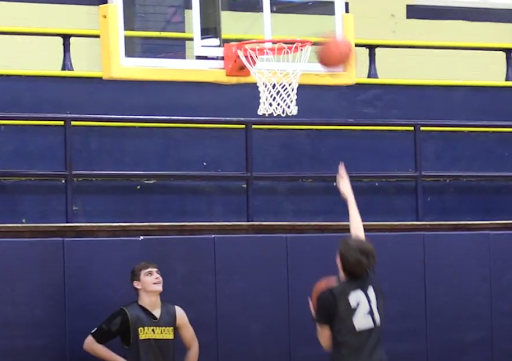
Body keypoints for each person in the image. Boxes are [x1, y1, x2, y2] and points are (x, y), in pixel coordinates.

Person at [308, 162, 386, 361]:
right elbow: (360, 241)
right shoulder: (371, 282)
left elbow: (327, 344)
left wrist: (318, 318)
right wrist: (349, 196)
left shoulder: (329, 297)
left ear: (340, 262)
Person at [83, 262, 199, 361]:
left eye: (158, 273)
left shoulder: (176, 312)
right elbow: (90, 344)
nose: (157, 276)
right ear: (137, 284)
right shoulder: (126, 314)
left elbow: (193, 345)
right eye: (149, 274)